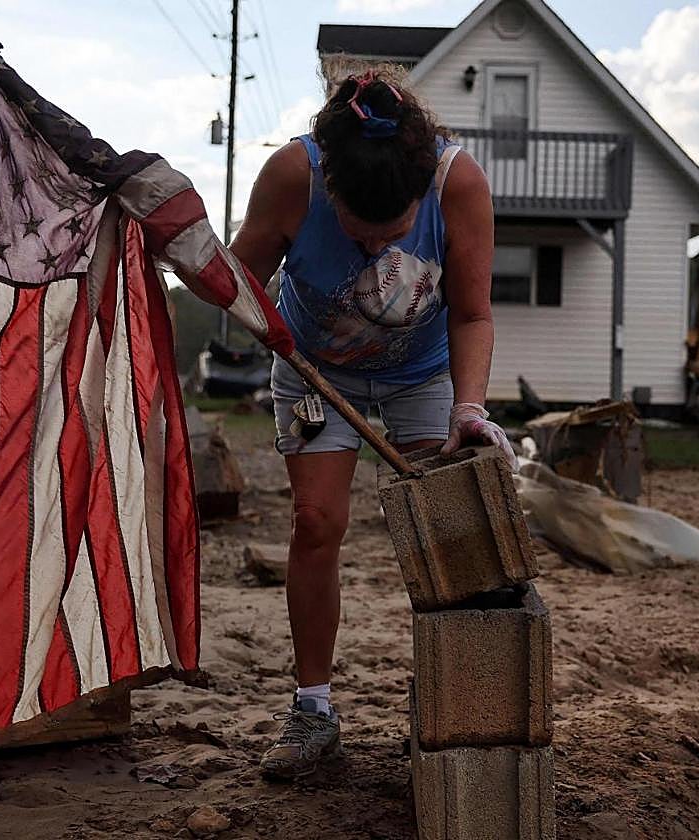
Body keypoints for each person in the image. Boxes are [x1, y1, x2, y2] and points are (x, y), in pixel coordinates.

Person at [229, 66, 516, 780]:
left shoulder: (459, 185)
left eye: (392, 236)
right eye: (361, 236)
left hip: (422, 372)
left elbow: (473, 311)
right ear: (330, 190)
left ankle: (459, 700)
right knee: (318, 522)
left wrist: (469, 407)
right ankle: (314, 710)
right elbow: (236, 281)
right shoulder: (291, 175)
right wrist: (222, 290)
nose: (374, 250)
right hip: (312, 364)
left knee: (452, 525)